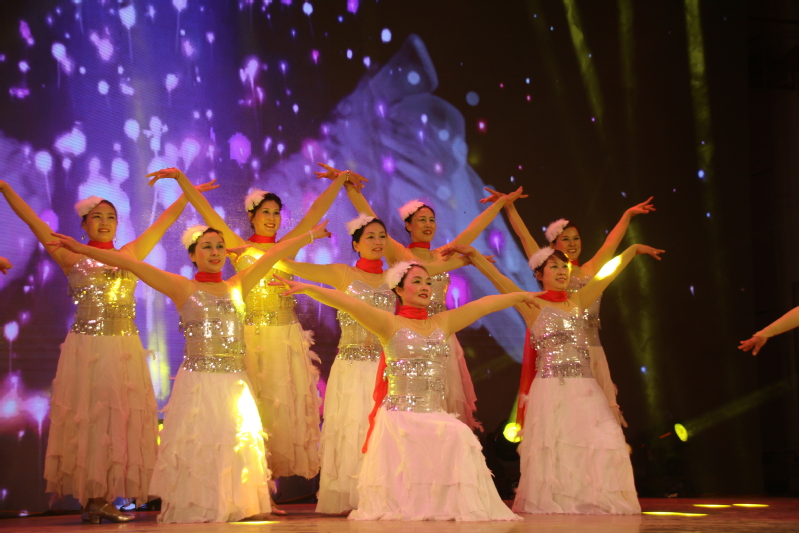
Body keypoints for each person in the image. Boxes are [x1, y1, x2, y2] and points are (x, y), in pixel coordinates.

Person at [48, 217, 331, 523]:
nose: (215, 252)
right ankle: (199, 505)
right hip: (199, 383)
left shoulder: (237, 284)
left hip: (235, 381)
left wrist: (311, 235)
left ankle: (239, 504)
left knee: (237, 440)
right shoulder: (183, 287)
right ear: (193, 255)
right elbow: (131, 264)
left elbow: (274, 253)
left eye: (219, 246)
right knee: (200, 442)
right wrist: (84, 250)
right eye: (207, 247)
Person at [0, 178, 215, 523]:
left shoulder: (129, 254)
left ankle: (102, 501)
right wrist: (6, 188)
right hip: (89, 349)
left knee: (122, 419)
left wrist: (189, 194)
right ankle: (95, 499)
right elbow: (33, 220)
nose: (104, 222)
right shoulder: (70, 253)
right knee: (93, 419)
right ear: (83, 225)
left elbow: (163, 223)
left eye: (111, 217)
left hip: (124, 348)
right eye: (97, 217)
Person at [144, 166, 363, 485]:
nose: (272, 218)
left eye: (276, 213)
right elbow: (207, 212)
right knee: (253, 408)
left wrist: (340, 181)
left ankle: (269, 484)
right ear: (251, 216)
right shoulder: (235, 245)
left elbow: (316, 213)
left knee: (283, 410)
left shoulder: (288, 244)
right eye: (265, 213)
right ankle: (254, 482)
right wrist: (182, 180)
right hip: (250, 338)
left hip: (285, 338)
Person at [270, 261, 529, 521]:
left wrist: (522, 296)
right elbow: (348, 303)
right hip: (399, 417)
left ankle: (443, 506)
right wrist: (307, 288)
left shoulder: (443, 322)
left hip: (433, 414)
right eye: (417, 281)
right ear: (399, 290)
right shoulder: (389, 324)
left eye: (428, 282)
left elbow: (484, 305)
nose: (425, 287)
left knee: (460, 434)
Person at [273, 213, 467, 514]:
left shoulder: (397, 278)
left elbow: (439, 268)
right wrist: (289, 242)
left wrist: (471, 258)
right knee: (353, 428)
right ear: (356, 244)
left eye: (382, 237)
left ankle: (389, 493)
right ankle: (355, 496)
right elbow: (287, 264)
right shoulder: (342, 274)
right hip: (351, 367)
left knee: (387, 432)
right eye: (370, 237)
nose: (377, 242)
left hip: (387, 367)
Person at [450, 243, 662, 514]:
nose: (562, 271)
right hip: (551, 389)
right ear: (539, 274)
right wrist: (475, 256)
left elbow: (608, 274)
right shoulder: (531, 304)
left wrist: (631, 251)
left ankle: (594, 500)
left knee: (601, 443)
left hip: (585, 389)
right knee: (557, 447)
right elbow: (499, 279)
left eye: (565, 266)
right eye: (554, 267)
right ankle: (562, 503)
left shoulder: (578, 300)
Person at [319, 163, 523, 430]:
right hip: (411, 336)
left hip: (442, 335)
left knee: (443, 406)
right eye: (421, 220)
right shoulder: (399, 254)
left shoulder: (444, 255)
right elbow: (369, 217)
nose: (428, 225)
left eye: (432, 220)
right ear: (408, 225)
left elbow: (473, 230)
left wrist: (500, 205)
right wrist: (348, 186)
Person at [481, 189, 656, 426]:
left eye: (576, 238)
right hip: (563, 357)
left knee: (603, 417)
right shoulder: (549, 267)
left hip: (593, 351)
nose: (572, 244)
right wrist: (509, 206)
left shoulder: (590, 269)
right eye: (566, 239)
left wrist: (627, 216)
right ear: (553, 246)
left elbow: (611, 243)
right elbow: (524, 236)